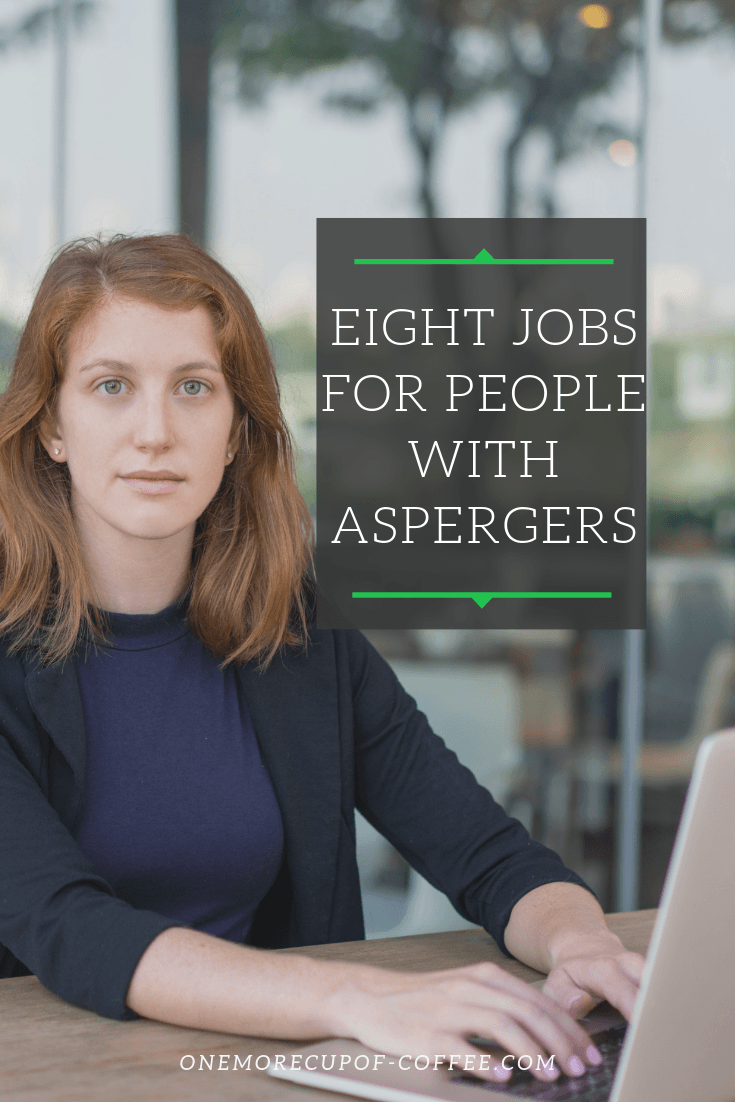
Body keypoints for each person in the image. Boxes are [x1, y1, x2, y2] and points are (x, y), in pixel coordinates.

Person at [0, 234, 644, 1087]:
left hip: (283, 1076)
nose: (154, 432)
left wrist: (581, 942)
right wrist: (355, 998)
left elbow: (485, 853)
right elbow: (70, 926)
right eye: (111, 386)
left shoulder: (297, 631)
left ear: (234, 432)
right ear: (51, 425)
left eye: (194, 388)